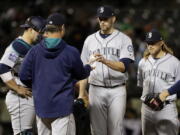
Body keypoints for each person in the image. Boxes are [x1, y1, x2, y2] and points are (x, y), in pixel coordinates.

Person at [19, 13, 95, 135]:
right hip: (62, 109)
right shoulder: (70, 51)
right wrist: (89, 67)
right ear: (62, 28)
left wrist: (38, 86)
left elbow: (23, 76)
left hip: (42, 109)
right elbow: (80, 74)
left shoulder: (34, 51)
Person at [80, 5, 135, 135]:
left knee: (116, 130)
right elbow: (83, 69)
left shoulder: (124, 39)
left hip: (117, 89)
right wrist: (82, 92)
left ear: (113, 19)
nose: (103, 21)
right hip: (96, 88)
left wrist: (105, 61)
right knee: (97, 130)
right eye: (100, 19)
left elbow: (124, 66)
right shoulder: (89, 40)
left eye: (106, 18)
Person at [0, 16, 45, 135]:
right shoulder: (18, 46)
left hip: (31, 94)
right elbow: (3, 68)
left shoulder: (33, 46)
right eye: (40, 32)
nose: (41, 36)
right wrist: (17, 88)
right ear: (30, 30)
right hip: (20, 96)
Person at [137, 29, 180, 135]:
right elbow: (141, 85)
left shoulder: (174, 62)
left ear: (161, 43)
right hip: (146, 108)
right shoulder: (143, 62)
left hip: (166, 108)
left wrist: (165, 93)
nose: (150, 46)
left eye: (153, 43)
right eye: (148, 43)